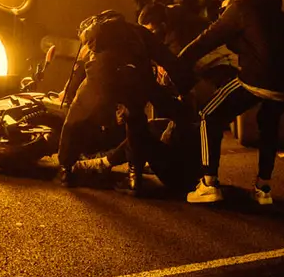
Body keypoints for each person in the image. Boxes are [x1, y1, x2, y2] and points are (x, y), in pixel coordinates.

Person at [177, 0, 284, 205]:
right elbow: (254, 43)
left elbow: (207, 39)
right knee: (269, 125)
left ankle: (208, 184)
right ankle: (263, 189)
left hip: (261, 77)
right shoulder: (273, 6)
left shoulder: (241, 6)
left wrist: (176, 64)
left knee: (209, 114)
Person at [58, 11, 188, 194]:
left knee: (76, 116)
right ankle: (134, 179)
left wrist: (69, 94)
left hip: (101, 77)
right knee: (136, 122)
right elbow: (168, 58)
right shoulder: (137, 32)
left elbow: (80, 71)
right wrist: (186, 86)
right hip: (137, 76)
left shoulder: (93, 41)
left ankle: (66, 170)